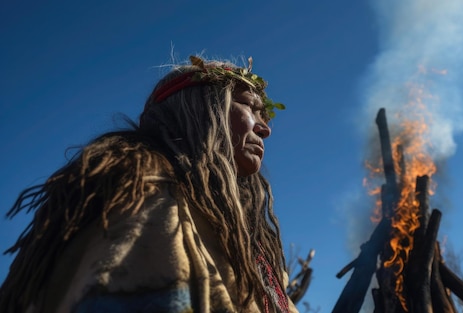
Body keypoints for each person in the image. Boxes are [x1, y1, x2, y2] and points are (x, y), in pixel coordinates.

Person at [0, 55, 297, 313]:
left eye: (265, 115)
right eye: (247, 105)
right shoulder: (142, 191)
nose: (265, 128)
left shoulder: (251, 242)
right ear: (202, 109)